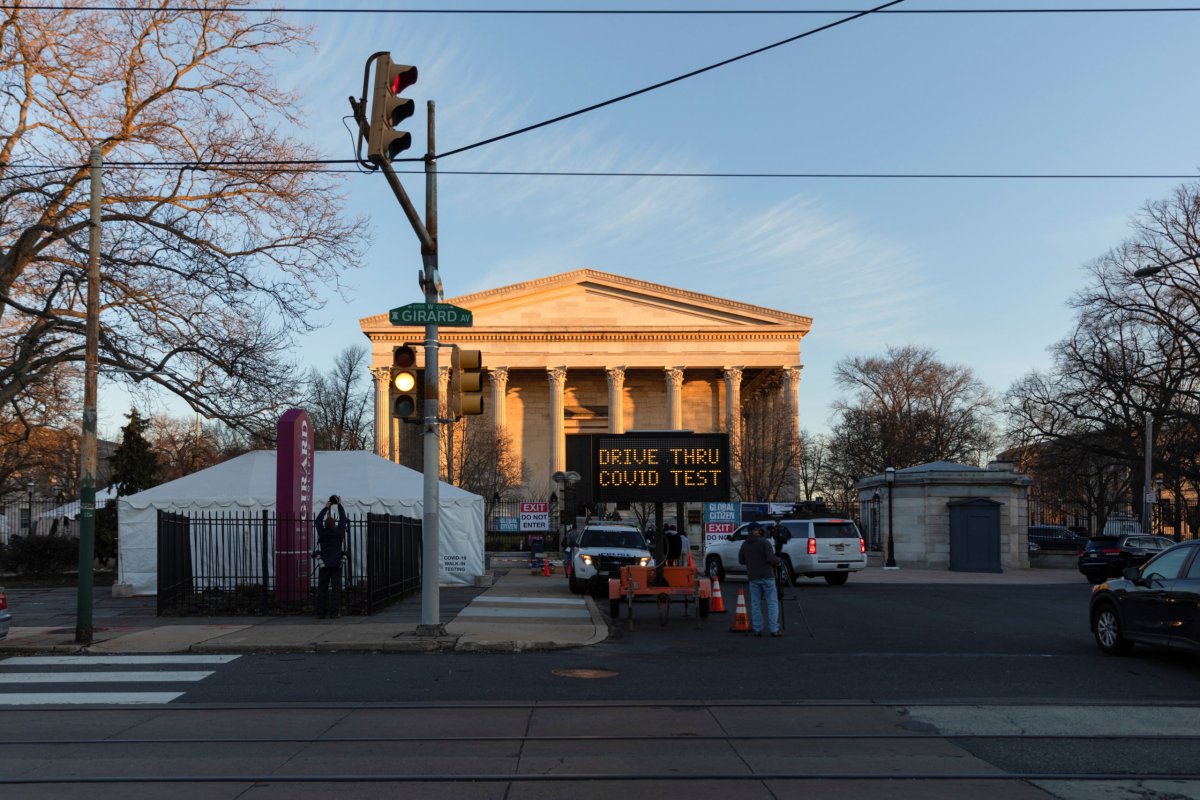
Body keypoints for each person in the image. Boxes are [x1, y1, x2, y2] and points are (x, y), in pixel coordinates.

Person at [738, 522, 781, 637]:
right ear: (755, 530)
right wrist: (778, 560)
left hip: (753, 577)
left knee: (755, 604)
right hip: (767, 576)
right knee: (772, 602)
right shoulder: (764, 542)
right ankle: (774, 629)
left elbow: (741, 560)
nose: (761, 531)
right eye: (759, 530)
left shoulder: (745, 544)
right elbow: (770, 558)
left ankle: (758, 629)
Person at [312, 494, 348, 619]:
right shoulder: (339, 532)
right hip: (337, 563)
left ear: (326, 524)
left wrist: (326, 507)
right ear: (334, 524)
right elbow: (343, 519)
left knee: (322, 588)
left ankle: (321, 612)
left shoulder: (322, 532)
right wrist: (339, 505)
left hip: (324, 564)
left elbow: (317, 521)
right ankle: (335, 611)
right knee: (336, 589)